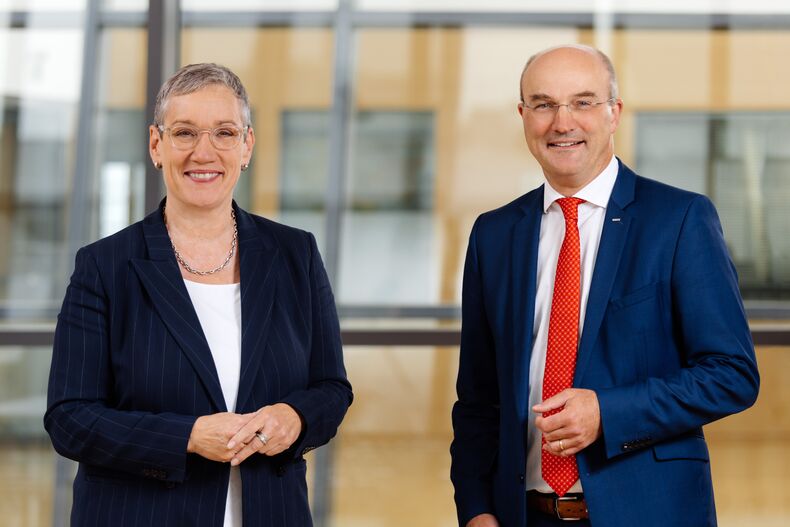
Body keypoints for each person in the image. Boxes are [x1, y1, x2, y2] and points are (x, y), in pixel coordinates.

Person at [450, 45, 759, 527]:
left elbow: (731, 374)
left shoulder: (678, 219)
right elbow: (478, 397)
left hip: (648, 511)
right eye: (544, 104)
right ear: (523, 115)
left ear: (614, 113)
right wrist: (476, 508)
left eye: (583, 101)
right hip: (523, 515)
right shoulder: (494, 234)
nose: (563, 122)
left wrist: (607, 412)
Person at [44, 63, 353, 527]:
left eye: (224, 133)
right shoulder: (105, 266)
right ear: (156, 145)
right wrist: (186, 436)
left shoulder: (296, 254)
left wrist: (295, 416)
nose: (203, 152)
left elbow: (331, 388)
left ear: (246, 145)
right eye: (184, 133)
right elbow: (69, 418)